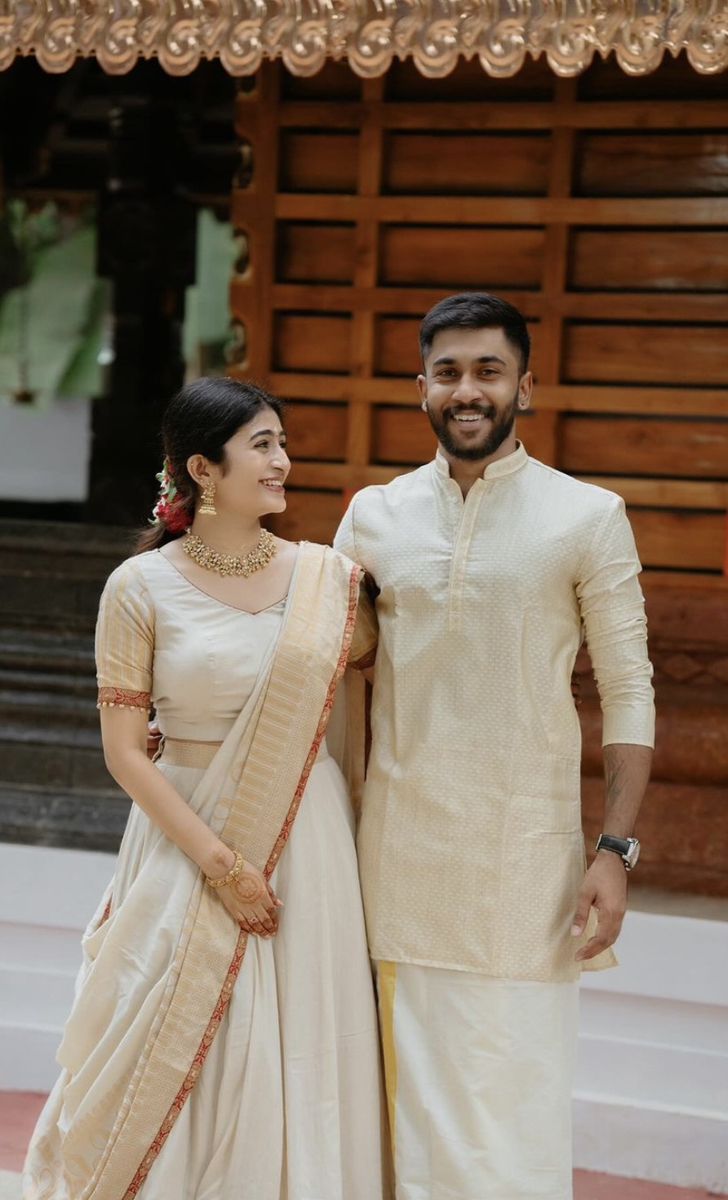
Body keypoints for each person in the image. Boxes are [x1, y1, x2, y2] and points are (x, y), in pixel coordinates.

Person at [23, 378, 387, 1200]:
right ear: (201, 467)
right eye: (262, 445)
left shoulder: (331, 582)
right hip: (184, 833)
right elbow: (125, 754)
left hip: (306, 825)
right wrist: (222, 865)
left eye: (281, 442)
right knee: (163, 1025)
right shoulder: (140, 587)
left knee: (298, 1033)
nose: (282, 461)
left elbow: (380, 691)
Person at [334, 292, 655, 1200]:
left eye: (488, 371)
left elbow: (629, 688)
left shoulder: (588, 514)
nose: (467, 390)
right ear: (420, 387)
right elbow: (321, 661)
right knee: (397, 1105)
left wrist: (615, 849)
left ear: (527, 386)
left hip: (523, 866)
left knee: (509, 1104)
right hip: (394, 856)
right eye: (448, 372)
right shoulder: (374, 514)